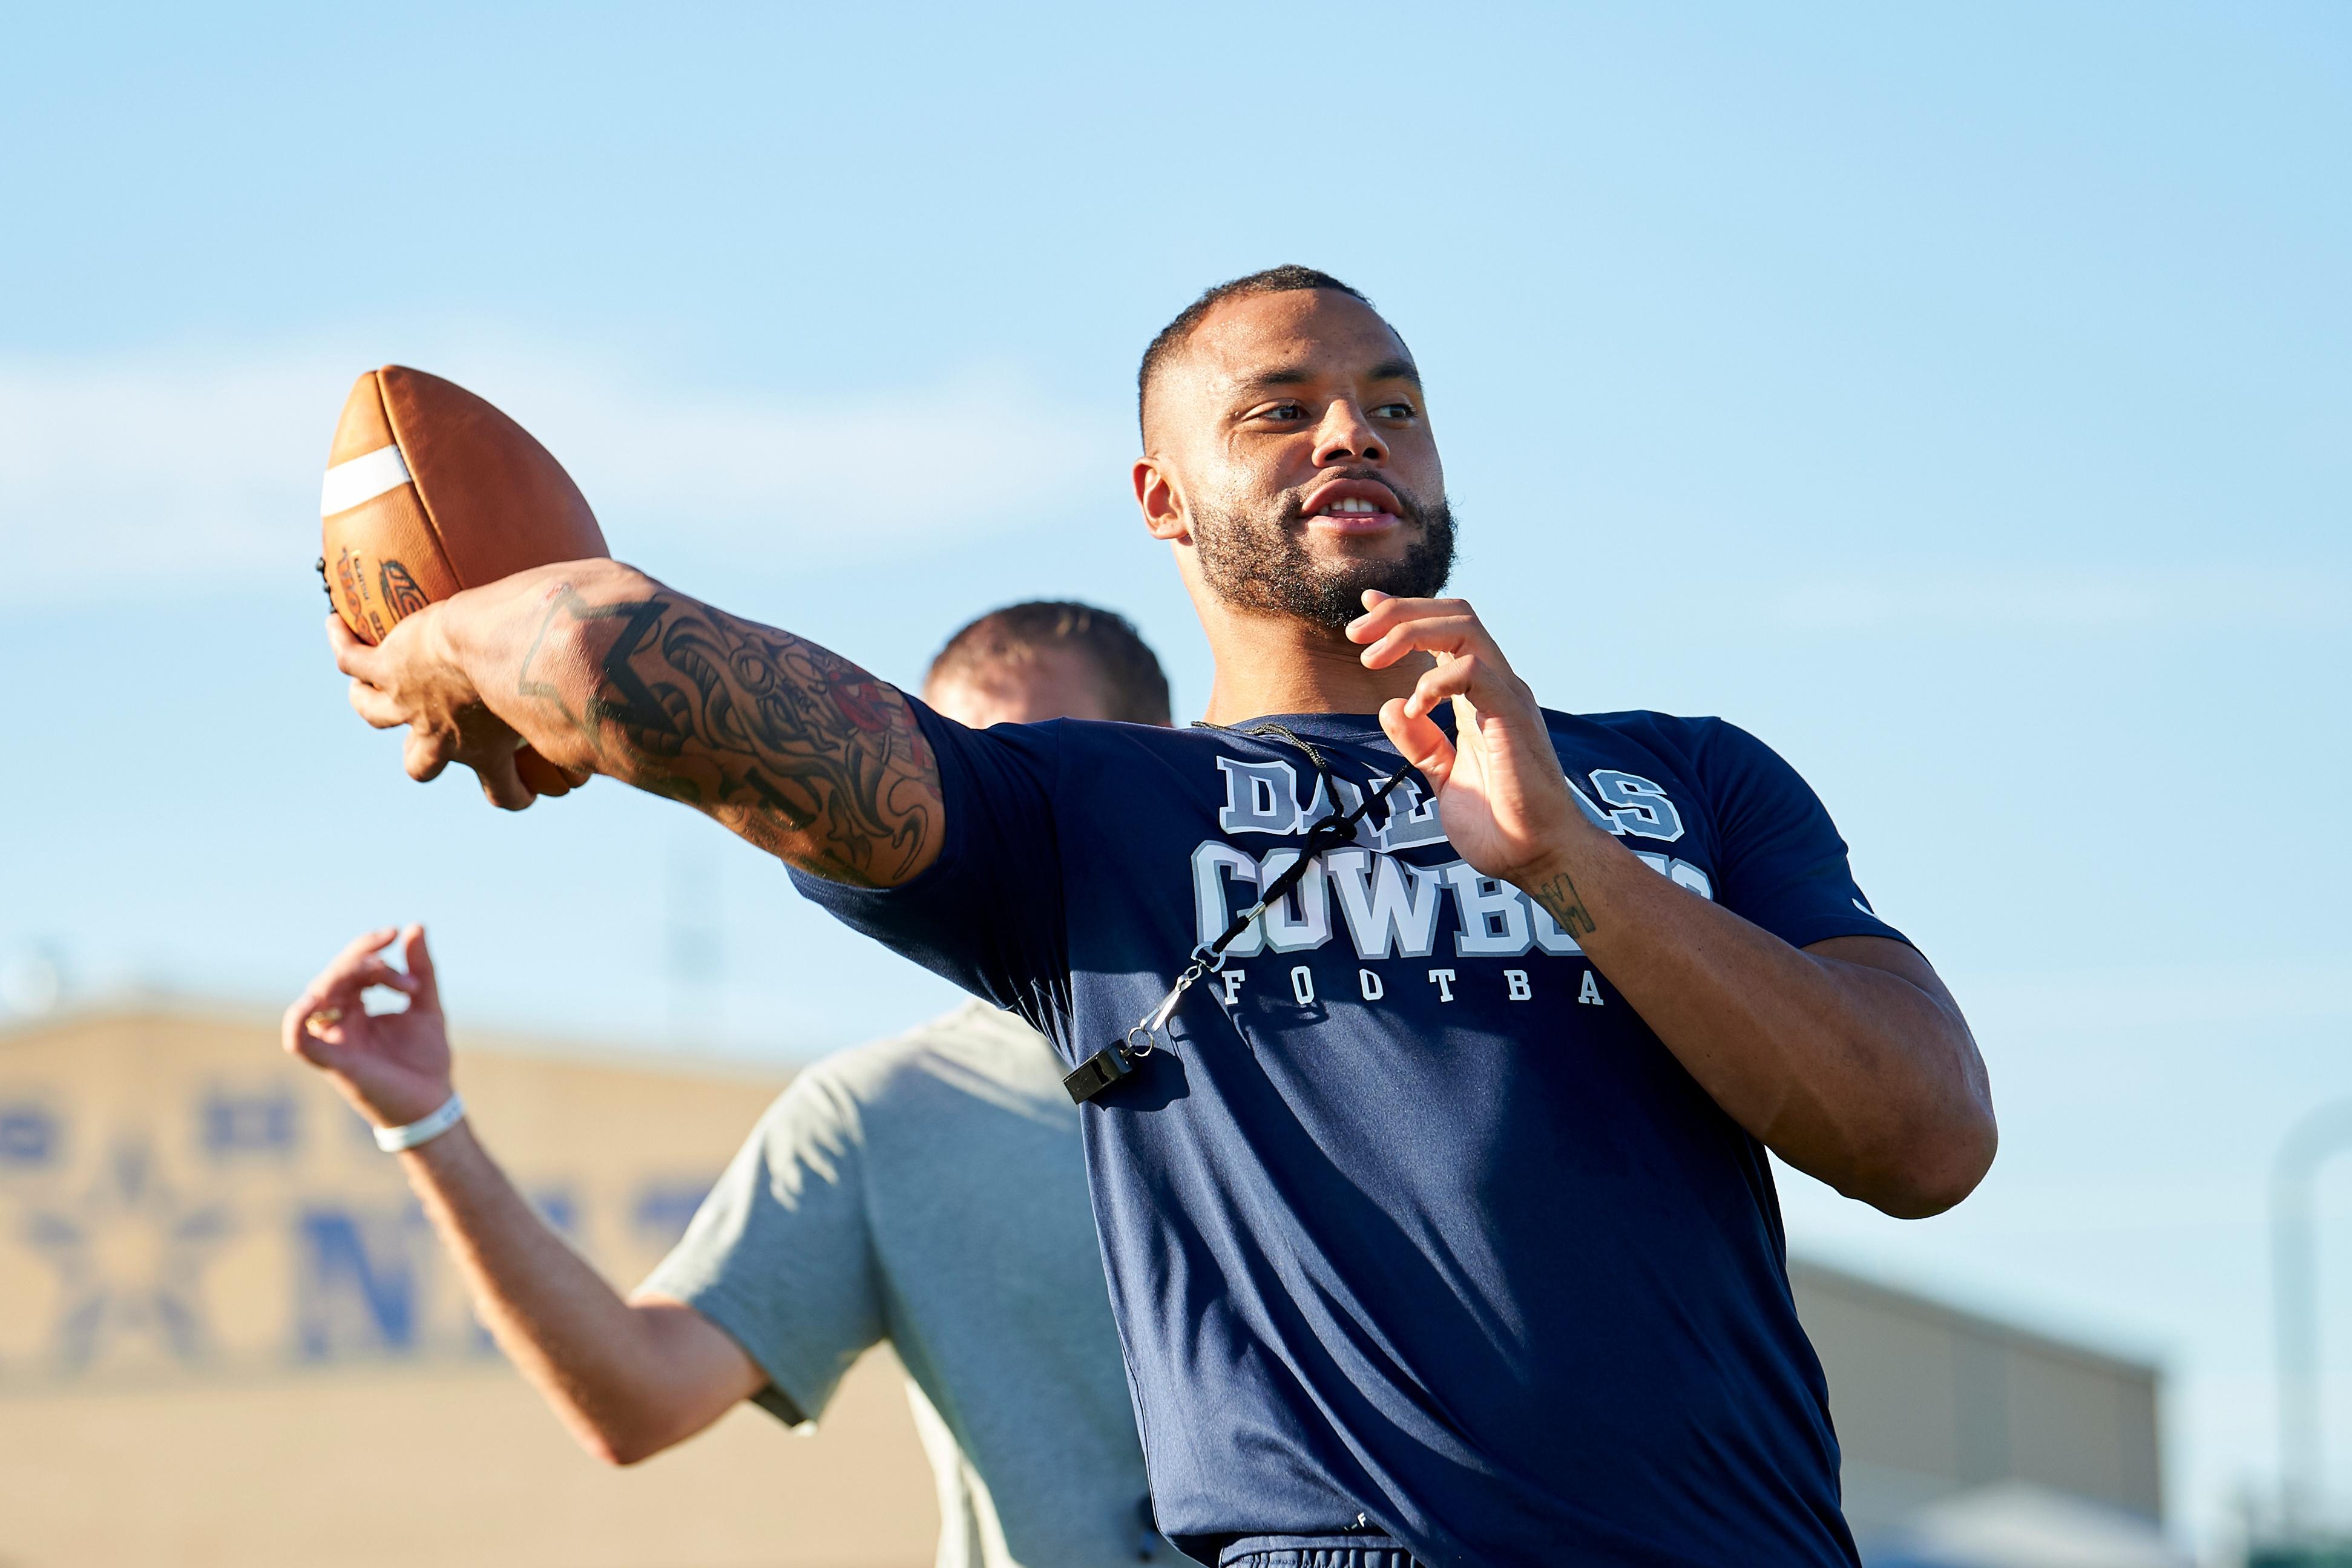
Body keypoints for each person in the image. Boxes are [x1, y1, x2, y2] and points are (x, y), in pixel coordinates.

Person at [329, 266, 1999, 1567]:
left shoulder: (1683, 780)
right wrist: (440, 642)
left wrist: (1569, 860)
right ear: (1157, 500)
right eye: (1279, 410)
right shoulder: (1082, 818)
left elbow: (1926, 1140)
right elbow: (609, 656)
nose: (1353, 433)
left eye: (1392, 405)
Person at [289, 602, 1180, 1568]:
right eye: (957, 771)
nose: (989, 802)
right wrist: (427, 1122)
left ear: (1148, 763)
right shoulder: (885, 1113)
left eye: (1022, 764)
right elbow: (640, 1396)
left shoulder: (1332, 1010)